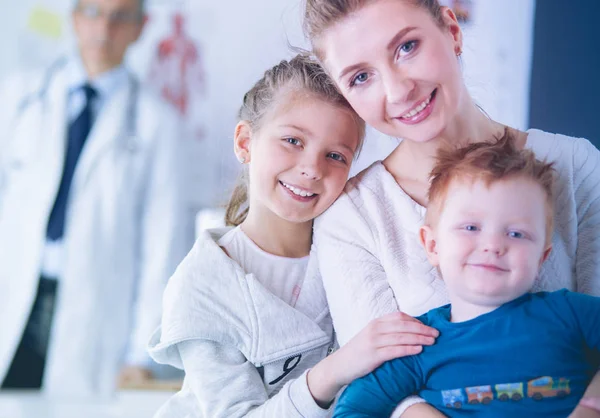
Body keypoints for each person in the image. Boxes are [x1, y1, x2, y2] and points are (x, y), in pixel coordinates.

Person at [302, 0, 600, 415]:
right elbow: (386, 389)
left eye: (407, 47)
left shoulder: (576, 166)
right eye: (361, 77)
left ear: (452, 30)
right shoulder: (352, 219)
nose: (398, 90)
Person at [147, 54, 439, 417]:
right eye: (293, 141)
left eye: (335, 155)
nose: (312, 169)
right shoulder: (202, 285)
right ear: (244, 143)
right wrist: (335, 369)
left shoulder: (356, 250)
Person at [332, 134, 600, 417]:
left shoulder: (570, 313)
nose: (493, 245)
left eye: (516, 233)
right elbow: (351, 410)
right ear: (433, 245)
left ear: (541, 258)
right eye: (471, 227)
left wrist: (590, 405)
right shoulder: (417, 344)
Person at [0, 0, 189, 395]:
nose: (104, 30)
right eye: (92, 13)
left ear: (141, 27)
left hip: (93, 317)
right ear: (74, 18)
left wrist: (141, 352)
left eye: (120, 17)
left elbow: (162, 247)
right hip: (14, 288)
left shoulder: (158, 124)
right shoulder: (18, 97)